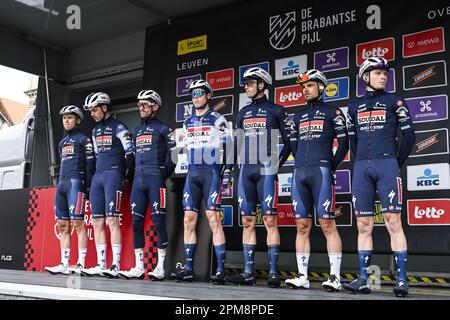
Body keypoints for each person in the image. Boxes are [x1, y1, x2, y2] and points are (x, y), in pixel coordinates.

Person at [343, 57, 415, 297]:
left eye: (385, 73)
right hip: (362, 166)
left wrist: (395, 163)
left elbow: (410, 137)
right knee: (363, 225)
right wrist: (360, 162)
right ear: (366, 77)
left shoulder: (395, 100)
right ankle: (364, 279)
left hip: (387, 165)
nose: (383, 76)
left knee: (393, 223)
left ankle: (402, 280)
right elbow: (352, 142)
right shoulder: (353, 107)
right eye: (377, 73)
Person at [226, 67, 291, 288]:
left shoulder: (276, 110)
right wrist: (228, 167)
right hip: (246, 170)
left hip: (266, 171)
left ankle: (273, 272)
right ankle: (248, 272)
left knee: (270, 220)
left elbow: (290, 142)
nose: (246, 87)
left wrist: (276, 164)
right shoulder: (243, 112)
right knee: (247, 221)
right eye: (245, 83)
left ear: (262, 84)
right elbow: (236, 143)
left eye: (250, 83)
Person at [285, 69, 348, 291]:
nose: (305, 90)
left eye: (309, 85)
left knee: (327, 224)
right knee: (301, 225)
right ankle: (302, 276)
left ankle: (335, 277)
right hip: (299, 173)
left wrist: (331, 164)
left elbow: (344, 142)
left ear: (321, 87)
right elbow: (293, 145)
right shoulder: (298, 116)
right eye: (303, 87)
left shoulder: (333, 112)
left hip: (321, 172)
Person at [173, 79, 231, 284]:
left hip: (211, 172)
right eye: (193, 94)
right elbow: (182, 150)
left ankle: (221, 270)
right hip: (192, 173)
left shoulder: (217, 118)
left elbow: (230, 145)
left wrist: (229, 171)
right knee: (188, 219)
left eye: (199, 93)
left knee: (214, 220)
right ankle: (188, 268)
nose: (195, 96)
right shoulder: (187, 122)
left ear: (208, 96)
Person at [119, 90, 176, 280]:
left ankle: (160, 268)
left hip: (155, 179)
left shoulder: (164, 129)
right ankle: (138, 266)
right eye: (139, 105)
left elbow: (174, 156)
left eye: (145, 104)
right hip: (138, 181)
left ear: (155, 106)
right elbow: (132, 157)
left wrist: (162, 174)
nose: (141, 108)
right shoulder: (136, 131)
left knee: (158, 221)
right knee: (136, 223)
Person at [81, 92, 135, 278]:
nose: (92, 114)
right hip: (98, 176)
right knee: (97, 222)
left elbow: (130, 155)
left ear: (105, 108)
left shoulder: (120, 128)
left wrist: (125, 176)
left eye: (95, 110)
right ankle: (100, 264)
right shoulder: (95, 131)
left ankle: (116, 265)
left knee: (112, 220)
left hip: (114, 175)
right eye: (90, 111)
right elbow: (95, 156)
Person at [45, 105, 94, 275]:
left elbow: (90, 165)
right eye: (64, 118)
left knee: (78, 224)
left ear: (78, 120)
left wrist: (87, 186)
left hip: (76, 184)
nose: (66, 120)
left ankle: (81, 263)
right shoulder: (62, 143)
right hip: (62, 185)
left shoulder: (84, 140)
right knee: (63, 225)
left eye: (70, 117)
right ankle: (64, 263)